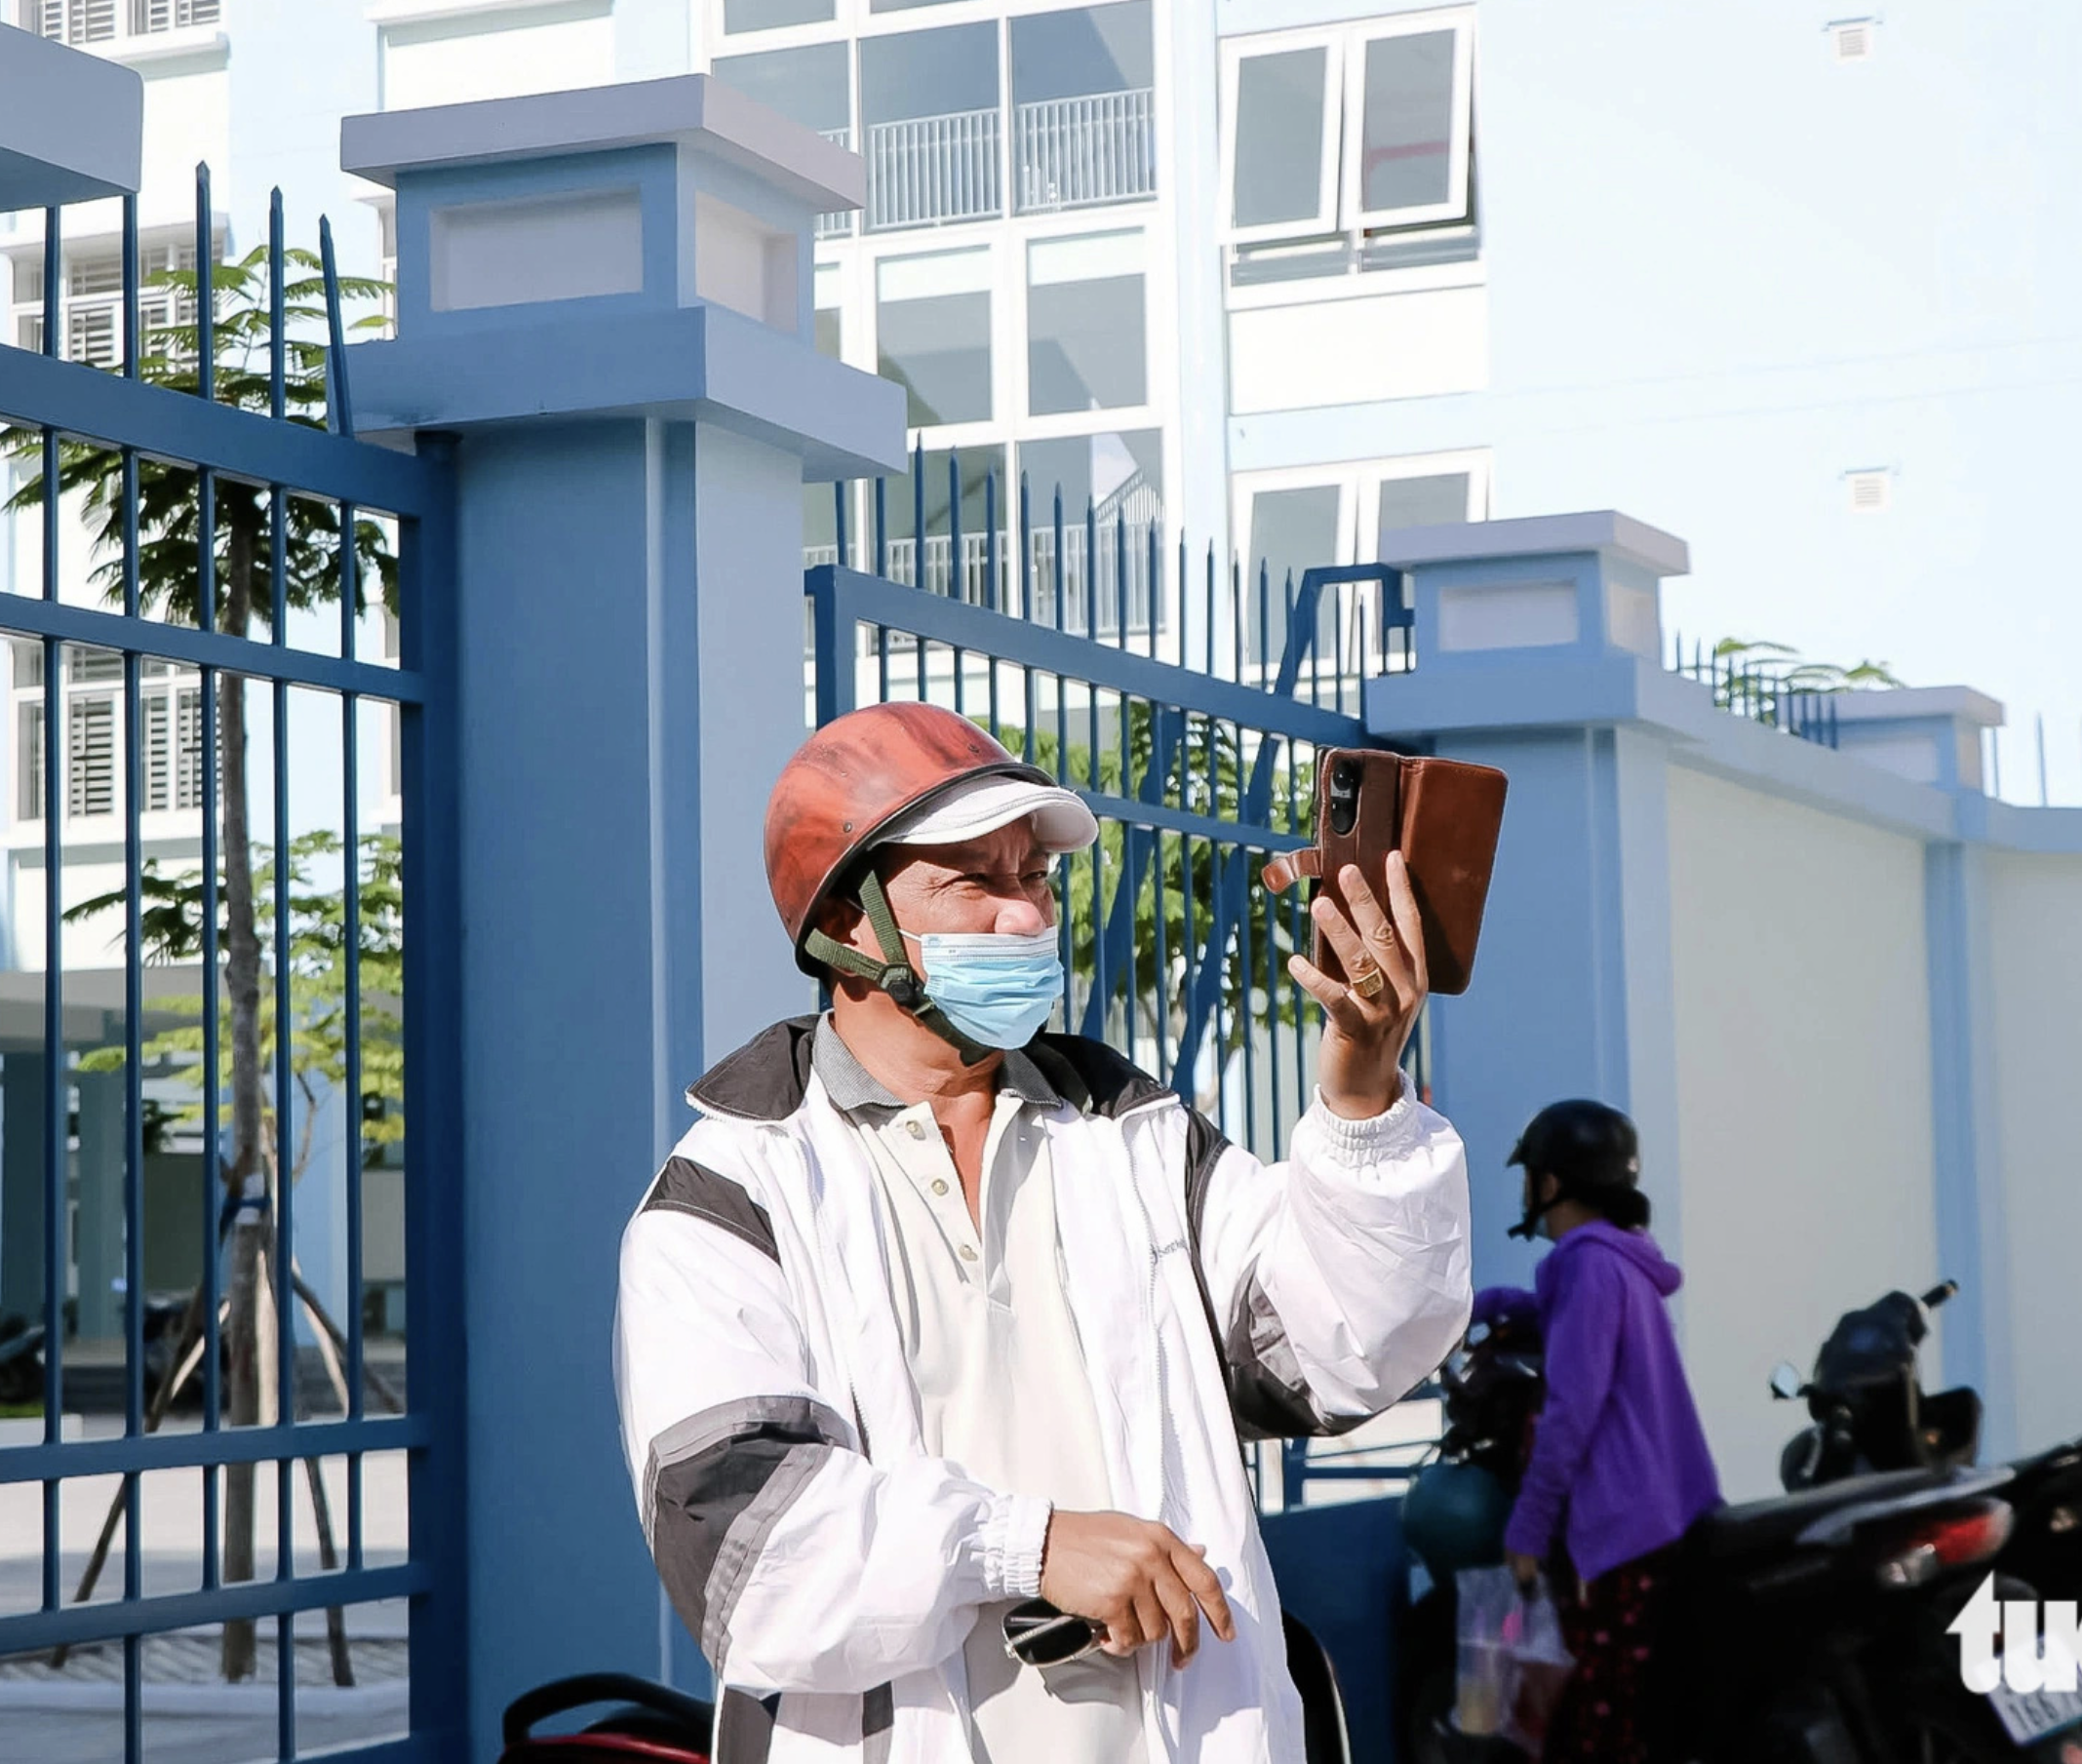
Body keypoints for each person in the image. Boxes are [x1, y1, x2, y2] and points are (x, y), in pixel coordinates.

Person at [613, 702, 1474, 1764]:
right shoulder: (730, 1194)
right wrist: (1028, 1548)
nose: (1025, 917)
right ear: (844, 921)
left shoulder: (1131, 1137)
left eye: (1034, 879)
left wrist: (1362, 1096)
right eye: (975, 881)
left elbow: (1346, 1348)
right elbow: (752, 1556)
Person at [1472, 1099, 1721, 1764]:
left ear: (1550, 1184)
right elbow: (1575, 1319)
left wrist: (1526, 1530)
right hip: (1668, 1517)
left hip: (1621, 1535)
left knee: (1596, 1733)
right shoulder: (1616, 1261)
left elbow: (1570, 1414)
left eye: (1531, 1176)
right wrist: (1495, 1303)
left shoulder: (1586, 1265)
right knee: (1636, 1716)